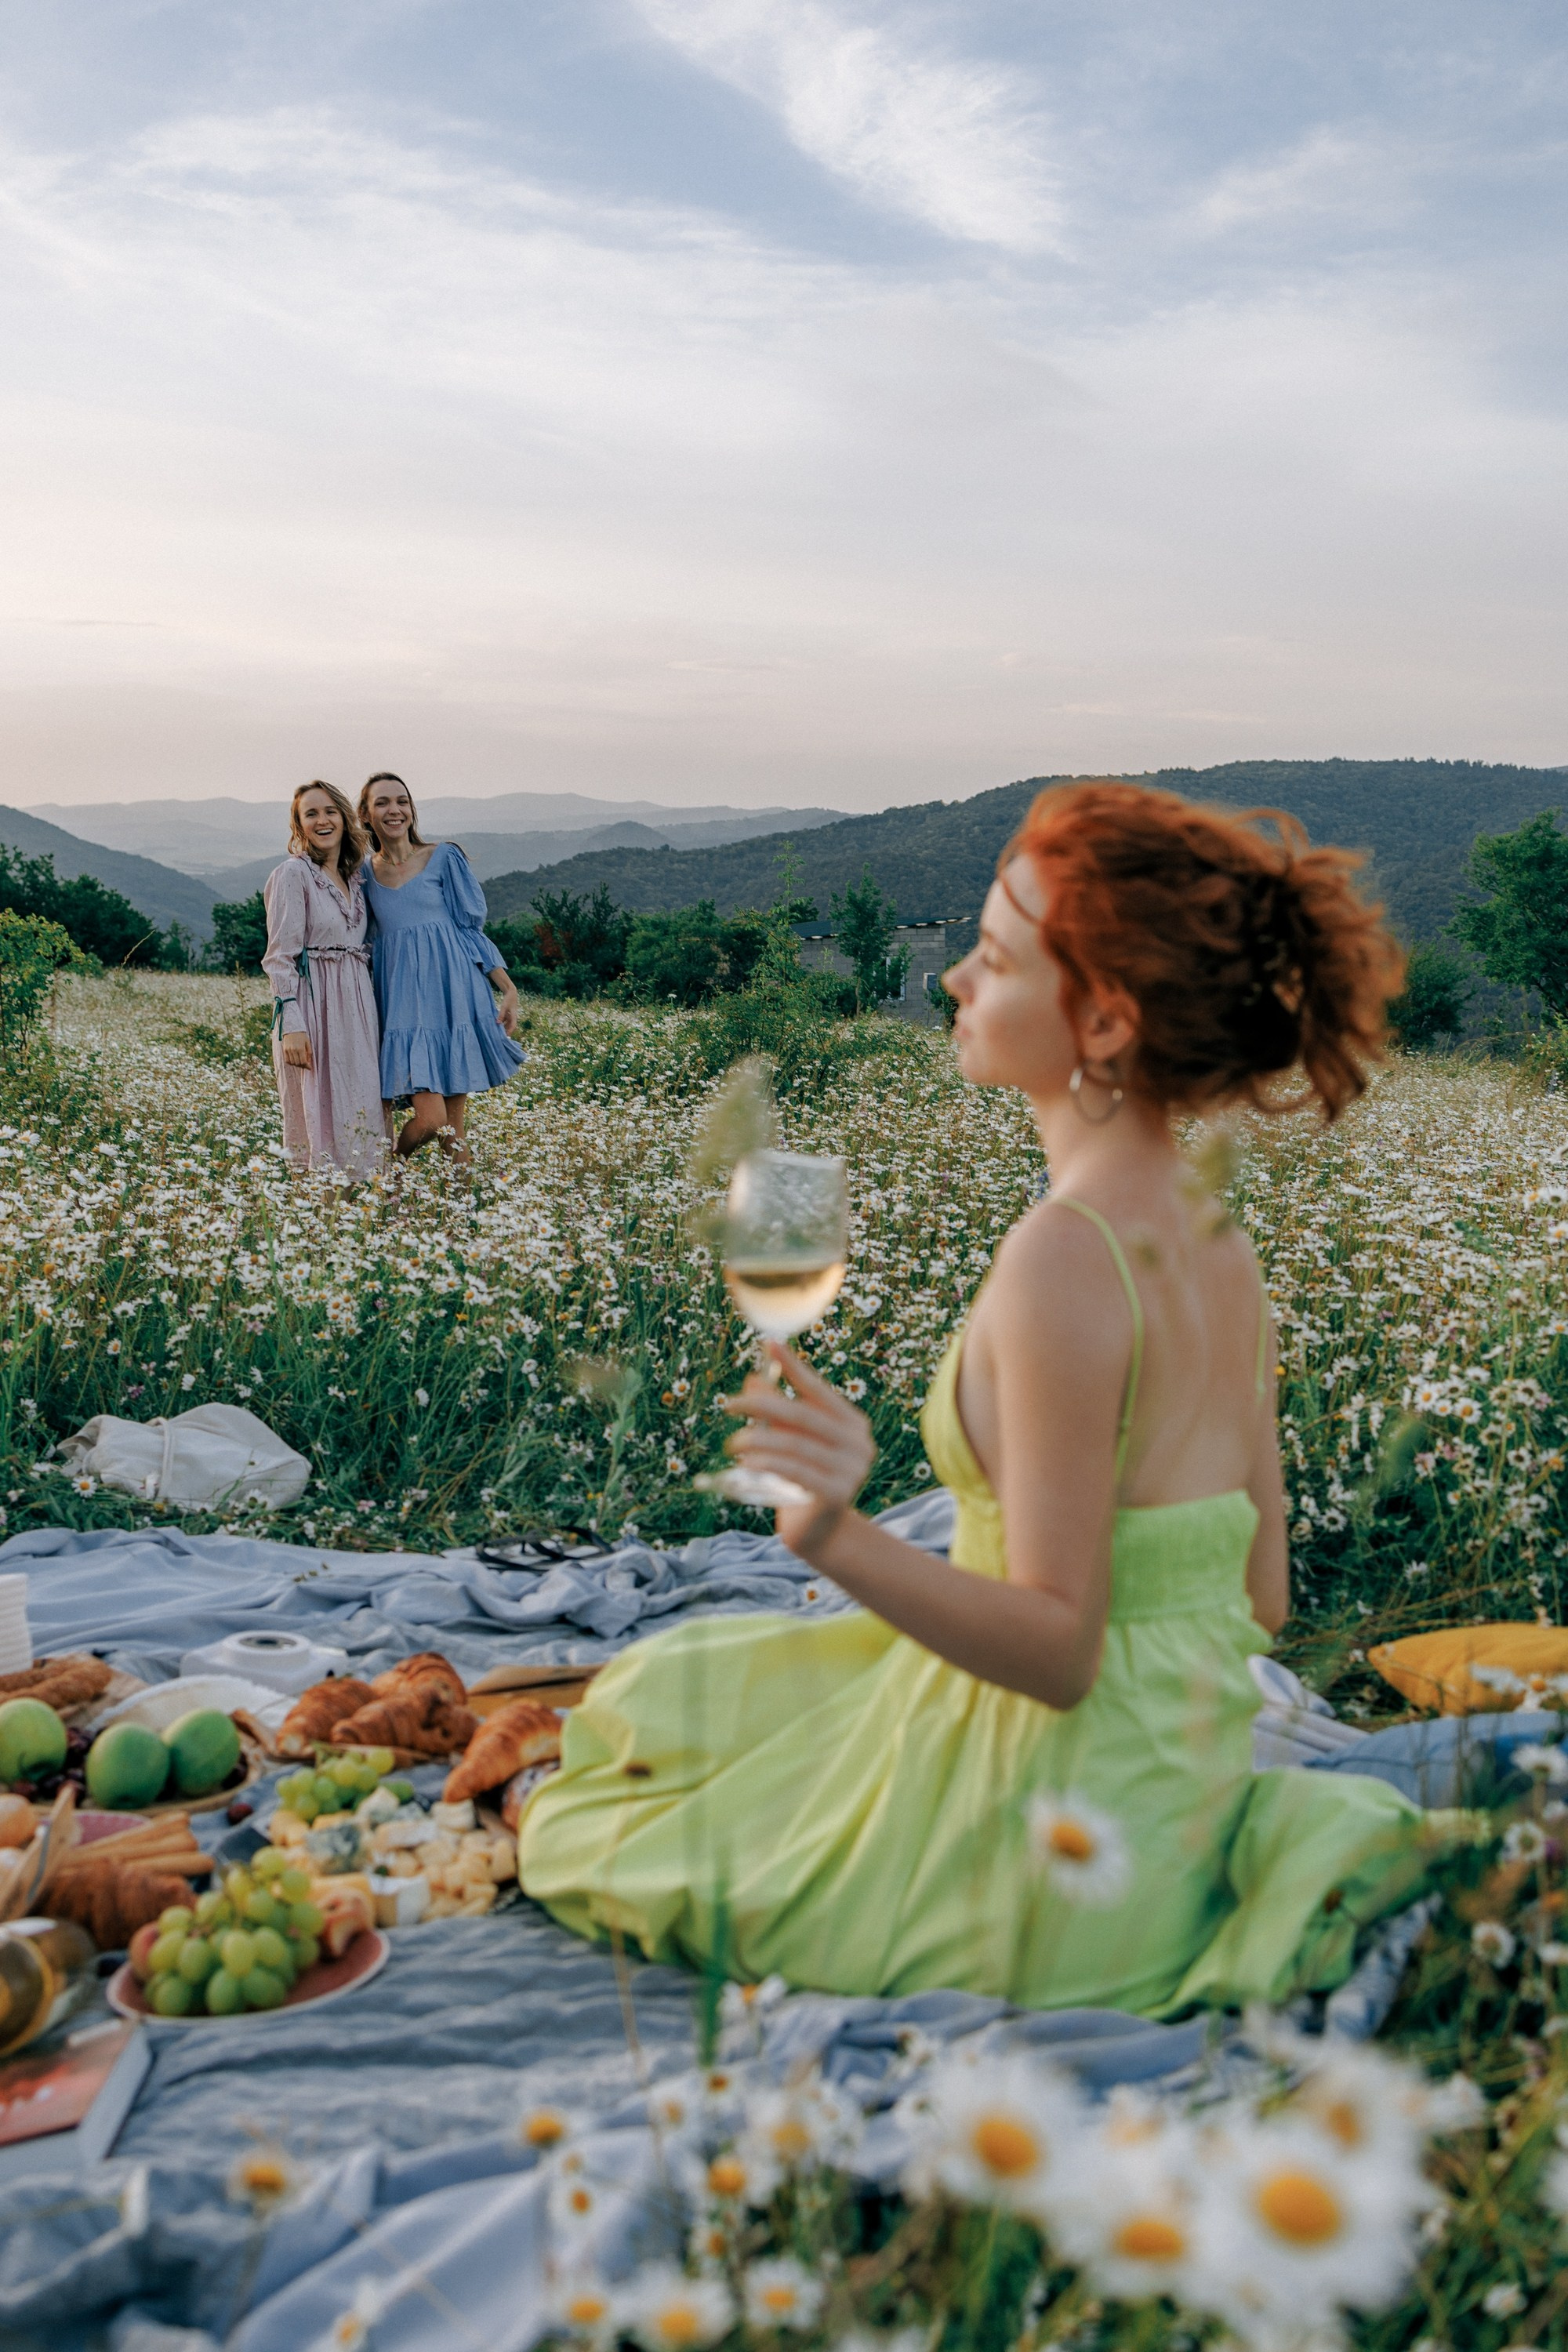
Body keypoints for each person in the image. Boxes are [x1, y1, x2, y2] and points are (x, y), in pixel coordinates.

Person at [518, 781, 1439, 2018]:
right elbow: (1261, 1600)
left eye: (995, 957)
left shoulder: (1066, 1252)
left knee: (611, 1814)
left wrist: (831, 1533)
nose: (953, 979)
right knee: (686, 1693)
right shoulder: (1212, 1233)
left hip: (1058, 1863)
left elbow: (1058, 1654)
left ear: (1104, 1022)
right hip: (1172, 1806)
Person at [356, 773, 523, 1161]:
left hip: (455, 997)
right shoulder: (363, 874)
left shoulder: (444, 857)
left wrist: (508, 988)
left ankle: (462, 1216)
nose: (394, 810)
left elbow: (469, 931)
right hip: (403, 1007)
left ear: (412, 809)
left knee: (453, 1128)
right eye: (382, 803)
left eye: (402, 801)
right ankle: (393, 1166)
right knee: (431, 1120)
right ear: (366, 815)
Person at [262, 782, 388, 1181]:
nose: (323, 820)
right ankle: (318, 1220)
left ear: (345, 817)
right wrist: (291, 1024)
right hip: (313, 1009)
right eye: (311, 814)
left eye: (330, 811)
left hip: (358, 1009)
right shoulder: (293, 875)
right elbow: (280, 956)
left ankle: (360, 1216)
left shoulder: (356, 879)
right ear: (299, 825)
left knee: (361, 1105)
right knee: (317, 1113)